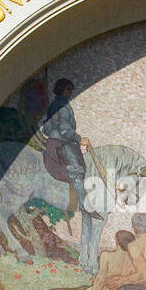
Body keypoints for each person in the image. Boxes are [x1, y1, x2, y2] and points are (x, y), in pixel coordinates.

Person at [40, 78, 100, 218]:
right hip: (61, 144)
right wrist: (80, 139)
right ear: (63, 89)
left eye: (71, 90)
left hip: (53, 142)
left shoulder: (55, 105)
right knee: (77, 171)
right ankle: (85, 206)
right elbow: (65, 130)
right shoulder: (63, 107)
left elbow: (46, 128)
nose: (70, 93)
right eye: (68, 90)